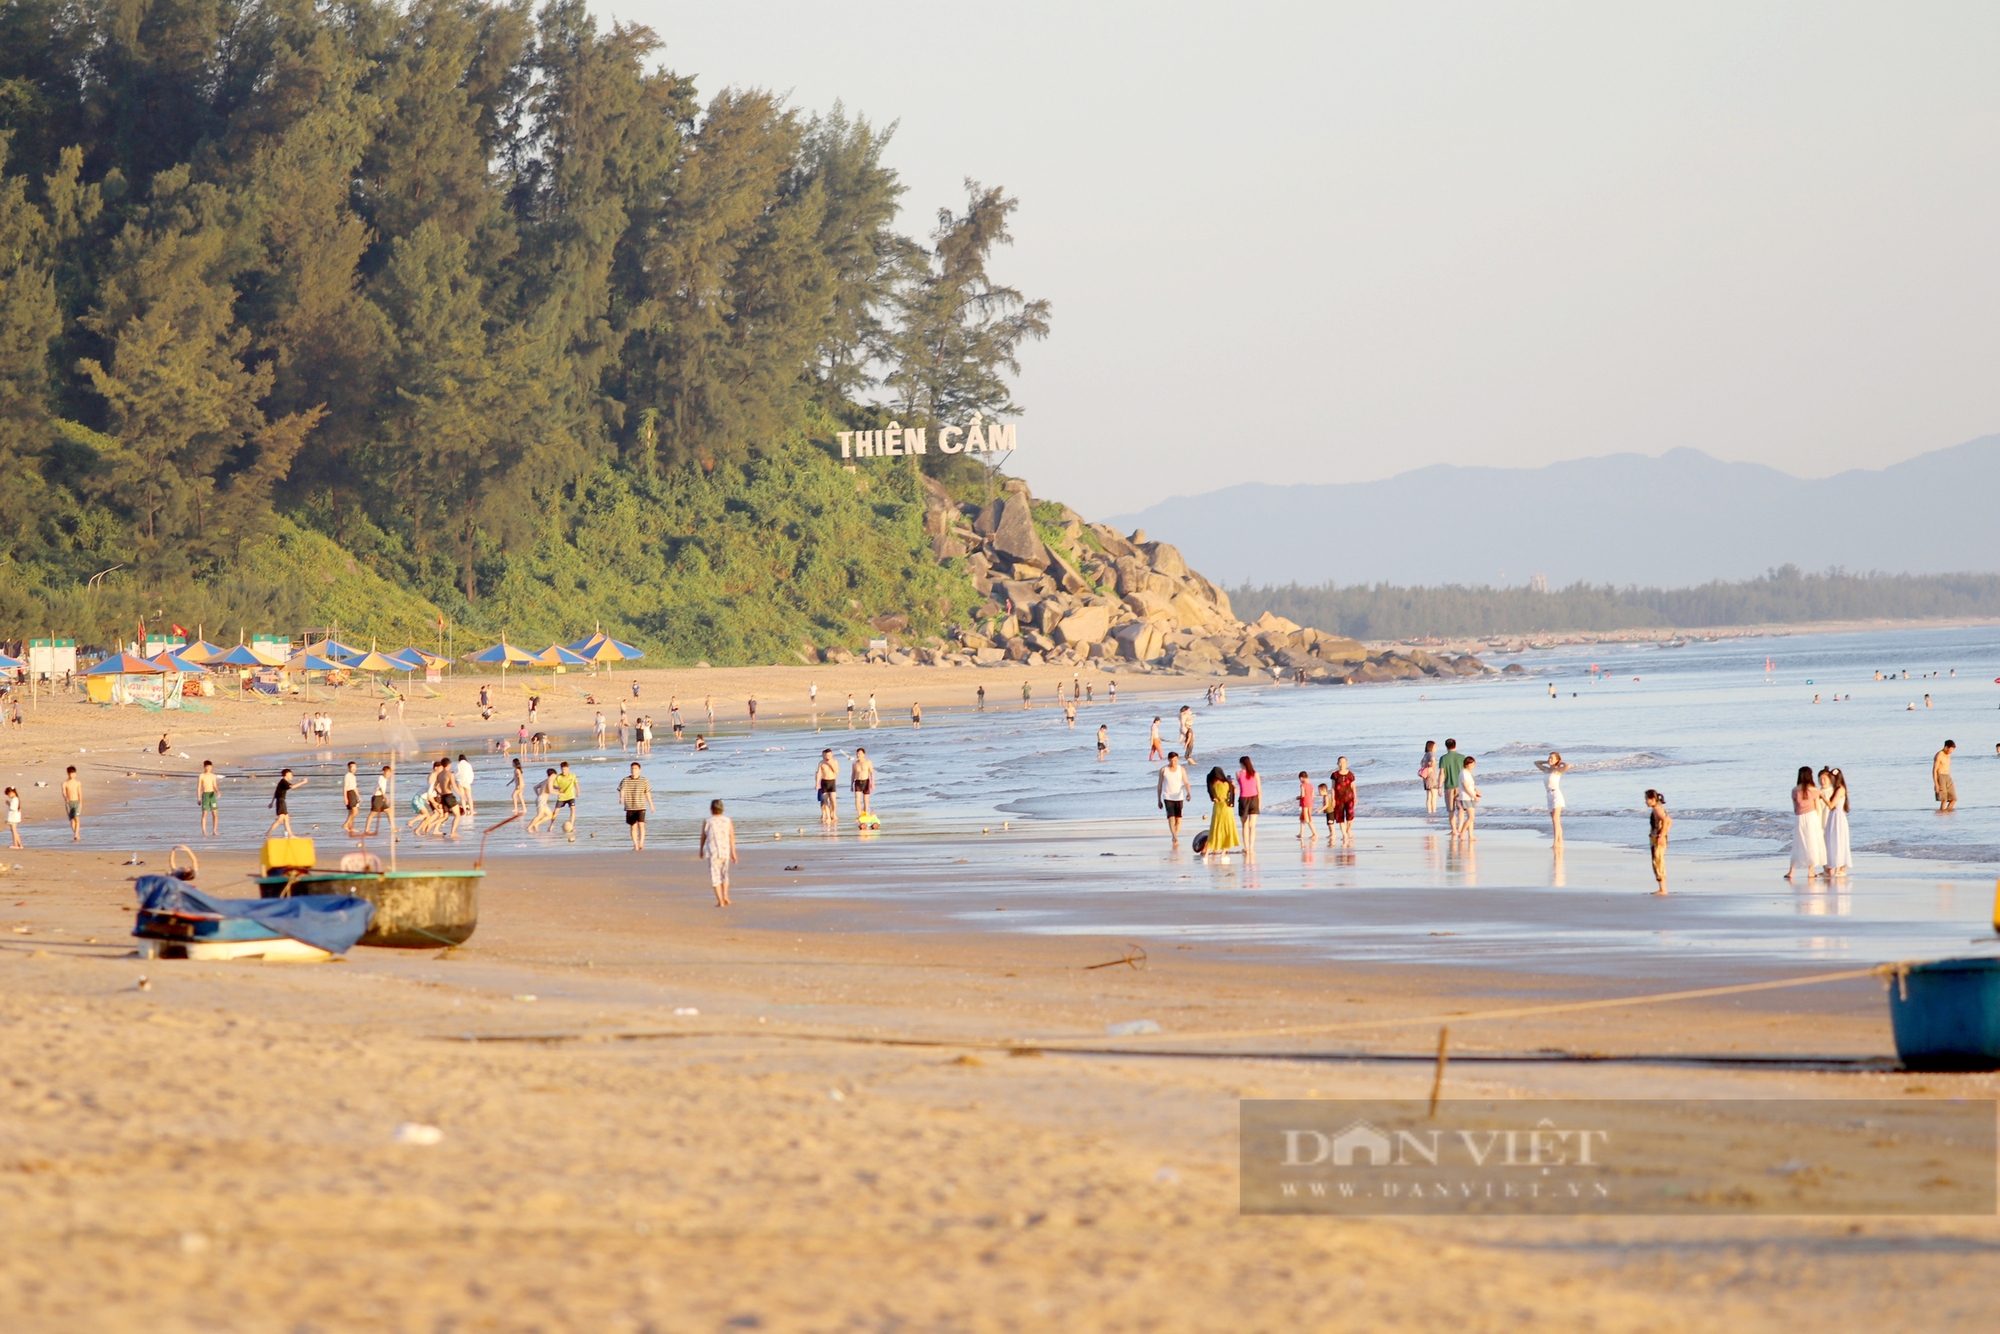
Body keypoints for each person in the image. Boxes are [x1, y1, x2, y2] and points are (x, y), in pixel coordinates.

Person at [1786, 765, 1827, 881]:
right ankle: (1810, 871)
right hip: (1812, 817)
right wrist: (1820, 823)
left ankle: (1791, 871)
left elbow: (1795, 809)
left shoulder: (1794, 790)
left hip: (1799, 818)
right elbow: (1818, 808)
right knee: (1812, 843)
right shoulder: (1815, 790)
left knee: (1798, 843)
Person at [700, 799, 737, 906]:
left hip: (713, 852)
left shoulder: (708, 821)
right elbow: (732, 837)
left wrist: (701, 849)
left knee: (715, 876)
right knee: (724, 874)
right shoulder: (727, 820)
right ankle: (725, 895)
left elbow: (703, 837)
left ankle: (720, 900)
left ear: (711, 809)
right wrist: (733, 853)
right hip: (725, 851)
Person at [1202, 766, 1241, 858]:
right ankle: (1223, 853)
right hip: (1227, 808)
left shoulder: (1213, 784)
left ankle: (1207, 853)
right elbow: (1235, 792)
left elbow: (1211, 794)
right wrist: (1233, 784)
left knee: (1215, 829)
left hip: (1217, 808)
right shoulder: (1227, 784)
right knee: (1227, 829)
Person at [1534, 752, 1570, 843]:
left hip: (1556, 795)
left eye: (1552, 758)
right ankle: (1559, 841)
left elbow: (1568, 766)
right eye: (1549, 758)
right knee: (1555, 821)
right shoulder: (1547, 770)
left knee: (1556, 819)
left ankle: (1556, 842)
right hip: (1549, 795)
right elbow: (1536, 763)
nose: (1550, 759)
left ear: (1557, 760)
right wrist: (1547, 762)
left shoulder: (1557, 770)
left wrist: (1560, 763)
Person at [618, 762, 655, 851]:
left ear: (639, 770)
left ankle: (641, 843)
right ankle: (635, 844)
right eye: (632, 768)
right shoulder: (625, 780)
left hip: (641, 805)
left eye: (635, 769)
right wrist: (621, 798)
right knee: (633, 826)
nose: (633, 770)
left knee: (641, 825)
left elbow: (647, 793)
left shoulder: (644, 780)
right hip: (630, 806)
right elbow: (622, 789)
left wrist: (651, 805)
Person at [1157, 751, 1191, 843]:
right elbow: (1159, 784)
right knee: (1171, 817)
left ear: (1178, 759)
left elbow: (1186, 782)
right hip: (1167, 796)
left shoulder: (1181, 769)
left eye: (1175, 760)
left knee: (1178, 820)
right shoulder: (1163, 770)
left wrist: (1188, 793)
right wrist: (1159, 799)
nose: (1173, 763)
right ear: (1168, 760)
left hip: (1178, 796)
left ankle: (1174, 835)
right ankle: (1175, 837)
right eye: (1171, 760)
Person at [1823, 767, 1851, 876]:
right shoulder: (1836, 789)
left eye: (1831, 778)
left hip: (1838, 817)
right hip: (1833, 816)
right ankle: (1834, 866)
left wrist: (1822, 797)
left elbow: (1831, 805)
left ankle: (1841, 867)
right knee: (1832, 840)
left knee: (1839, 840)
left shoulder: (1840, 789)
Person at [265, 768, 306, 837]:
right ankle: (268, 833)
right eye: (291, 774)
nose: (292, 776)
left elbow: (276, 792)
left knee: (287, 818)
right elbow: (292, 787)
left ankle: (291, 835)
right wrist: (302, 782)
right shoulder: (284, 782)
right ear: (286, 774)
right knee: (280, 819)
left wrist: (272, 802)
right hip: (281, 801)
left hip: (280, 801)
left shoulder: (282, 782)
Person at [1646, 789, 1671, 894]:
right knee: (1658, 861)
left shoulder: (1657, 809)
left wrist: (1661, 836)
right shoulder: (1658, 808)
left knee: (1658, 862)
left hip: (1657, 839)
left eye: (1647, 799)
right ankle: (1662, 888)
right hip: (1657, 838)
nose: (1646, 802)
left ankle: (1663, 889)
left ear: (1652, 799)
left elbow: (1666, 820)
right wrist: (1664, 834)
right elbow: (1669, 820)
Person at [1234, 756, 1262, 848]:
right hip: (1254, 799)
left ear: (1242, 764)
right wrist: (1259, 804)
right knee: (1252, 826)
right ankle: (1251, 847)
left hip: (1243, 800)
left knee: (1245, 825)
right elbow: (1259, 790)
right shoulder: (1255, 774)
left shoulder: (1238, 773)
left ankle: (1246, 847)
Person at [1437, 739, 1466, 822]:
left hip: (1449, 786)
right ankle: (1460, 827)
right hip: (1460, 786)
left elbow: (1442, 774)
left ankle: (1453, 830)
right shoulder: (1462, 757)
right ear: (1455, 745)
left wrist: (1439, 787)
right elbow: (1465, 772)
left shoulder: (1443, 758)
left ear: (1446, 746)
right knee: (1461, 808)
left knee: (1451, 810)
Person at [1330, 758, 1357, 846]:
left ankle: (1348, 829)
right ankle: (1344, 834)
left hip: (1349, 798)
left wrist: (1355, 797)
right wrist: (1333, 799)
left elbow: (1353, 786)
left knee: (1350, 815)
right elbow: (1333, 788)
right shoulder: (1335, 775)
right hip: (1338, 799)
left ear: (1346, 763)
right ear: (1337, 763)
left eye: (1344, 762)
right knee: (1340, 817)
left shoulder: (1350, 774)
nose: (1342, 764)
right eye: (1340, 762)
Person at [1452, 756, 1479, 838]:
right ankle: (1462, 833)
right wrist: (1473, 796)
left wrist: (1476, 792)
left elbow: (1471, 786)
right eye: (1473, 764)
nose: (1474, 766)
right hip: (1466, 797)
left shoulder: (1468, 773)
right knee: (1471, 817)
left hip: (1470, 797)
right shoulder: (1464, 773)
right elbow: (1465, 786)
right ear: (1467, 764)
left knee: (1471, 818)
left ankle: (1471, 835)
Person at [552, 762, 579, 835]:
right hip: (561, 797)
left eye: (565, 769)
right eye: (562, 769)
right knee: (555, 812)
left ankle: (571, 826)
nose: (564, 771)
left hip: (571, 796)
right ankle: (551, 825)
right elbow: (554, 786)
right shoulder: (559, 777)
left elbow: (576, 783)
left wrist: (578, 791)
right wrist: (558, 787)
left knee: (573, 810)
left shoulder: (573, 776)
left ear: (568, 769)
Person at [365, 765, 393, 837]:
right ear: (383, 772)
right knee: (372, 814)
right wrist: (385, 797)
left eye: (389, 773)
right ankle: (366, 830)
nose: (388, 774)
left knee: (389, 811)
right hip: (377, 798)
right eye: (387, 773)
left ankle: (393, 828)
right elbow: (380, 789)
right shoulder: (380, 778)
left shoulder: (385, 779)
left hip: (381, 798)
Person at [527, 768, 558, 833]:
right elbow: (550, 790)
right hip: (542, 800)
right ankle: (529, 827)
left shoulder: (545, 781)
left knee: (550, 816)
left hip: (542, 799)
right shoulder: (550, 780)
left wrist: (538, 795)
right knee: (540, 815)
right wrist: (560, 793)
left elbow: (535, 787)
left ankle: (536, 824)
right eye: (555, 775)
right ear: (553, 774)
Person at [198, 761, 221, 837]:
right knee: (204, 814)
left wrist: (218, 792)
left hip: (212, 795)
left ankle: (214, 830)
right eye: (207, 766)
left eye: (209, 766)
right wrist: (199, 797)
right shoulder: (201, 776)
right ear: (204, 767)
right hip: (205, 795)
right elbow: (199, 787)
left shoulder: (213, 776)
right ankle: (204, 831)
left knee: (215, 814)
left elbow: (215, 786)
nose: (208, 768)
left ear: (211, 767)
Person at [816, 749, 839, 826]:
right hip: (824, 782)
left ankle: (834, 812)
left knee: (833, 800)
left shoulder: (834, 762)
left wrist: (830, 764)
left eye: (829, 755)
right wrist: (817, 784)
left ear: (832, 755)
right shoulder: (821, 763)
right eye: (826, 755)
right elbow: (819, 773)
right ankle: (828, 817)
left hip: (832, 781)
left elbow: (836, 771)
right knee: (825, 800)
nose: (827, 757)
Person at [1933, 740, 1957, 812]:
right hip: (1941, 776)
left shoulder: (1948, 756)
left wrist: (1951, 780)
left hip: (1948, 776)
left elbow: (1948, 768)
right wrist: (1936, 784)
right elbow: (1934, 770)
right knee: (1944, 799)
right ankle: (1942, 814)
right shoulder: (1939, 755)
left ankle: (1948, 812)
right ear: (1946, 747)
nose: (1951, 752)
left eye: (1953, 750)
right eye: (1951, 750)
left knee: (1953, 799)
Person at [1419, 741, 1440, 815]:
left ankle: (1429, 812)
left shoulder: (1425, 755)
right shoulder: (1431, 754)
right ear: (1431, 747)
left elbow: (1421, 763)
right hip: (1431, 777)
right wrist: (1431, 766)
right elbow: (1432, 760)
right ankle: (1433, 811)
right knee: (1434, 796)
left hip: (1426, 778)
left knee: (1429, 796)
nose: (1436, 748)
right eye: (1435, 746)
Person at [851, 748, 874, 814]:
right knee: (857, 799)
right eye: (857, 753)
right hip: (857, 781)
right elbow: (853, 774)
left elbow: (872, 773)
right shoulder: (855, 763)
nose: (858, 755)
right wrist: (851, 784)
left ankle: (865, 813)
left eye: (860, 753)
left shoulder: (868, 762)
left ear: (864, 754)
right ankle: (859, 814)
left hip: (866, 781)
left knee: (866, 800)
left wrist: (873, 783)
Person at [341, 761, 360, 835]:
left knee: (351, 812)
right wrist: (345, 798)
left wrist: (358, 796)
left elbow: (355, 787)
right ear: (349, 768)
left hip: (353, 793)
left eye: (355, 767)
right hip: (349, 793)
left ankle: (351, 827)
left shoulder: (353, 776)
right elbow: (345, 787)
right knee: (355, 811)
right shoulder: (347, 776)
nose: (354, 768)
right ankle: (345, 824)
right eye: (352, 767)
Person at [62, 766, 81, 841]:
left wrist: (81, 802)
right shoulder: (65, 783)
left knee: (77, 818)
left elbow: (80, 793)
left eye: (73, 773)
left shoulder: (78, 783)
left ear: (75, 774)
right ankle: (76, 833)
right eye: (70, 773)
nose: (72, 775)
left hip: (76, 801)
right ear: (68, 774)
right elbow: (63, 792)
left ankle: (76, 834)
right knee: (72, 820)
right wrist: (65, 797)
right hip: (69, 803)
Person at [1296, 771, 1315, 843]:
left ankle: (1314, 833)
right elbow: (1313, 796)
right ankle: (1301, 833)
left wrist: (1298, 797)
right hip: (1310, 802)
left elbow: (1302, 795)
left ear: (1301, 778)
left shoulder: (1302, 785)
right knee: (1302, 818)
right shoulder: (1311, 785)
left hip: (1305, 803)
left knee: (1307, 819)